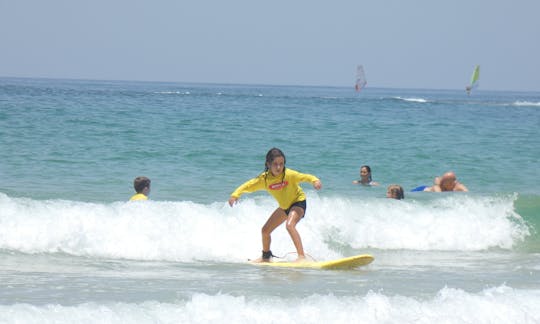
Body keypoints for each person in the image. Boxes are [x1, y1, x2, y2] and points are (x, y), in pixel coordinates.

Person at [228, 148, 322, 263]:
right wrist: (235, 195)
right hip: (284, 207)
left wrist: (315, 181)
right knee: (265, 231)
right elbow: (248, 185)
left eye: (281, 164)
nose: (279, 167)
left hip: (298, 202)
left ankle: (302, 257)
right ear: (268, 164)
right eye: (275, 164)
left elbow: (305, 177)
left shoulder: (289, 174)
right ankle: (266, 257)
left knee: (289, 225)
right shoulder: (265, 180)